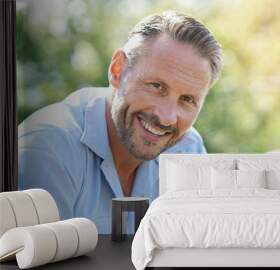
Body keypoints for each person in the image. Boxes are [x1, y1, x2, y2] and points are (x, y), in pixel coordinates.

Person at [18, 11, 223, 233]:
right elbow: (40, 262)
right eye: (156, 86)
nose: (166, 117)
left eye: (187, 99)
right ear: (118, 70)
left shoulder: (187, 150)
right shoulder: (48, 146)